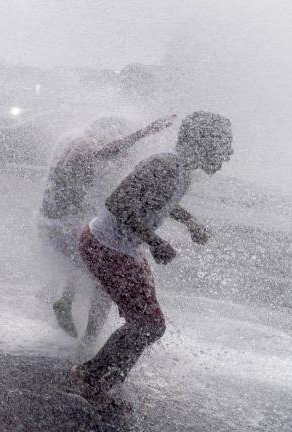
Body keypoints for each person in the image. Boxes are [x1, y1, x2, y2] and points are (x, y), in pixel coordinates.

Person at [70, 111, 233, 406]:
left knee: (146, 324)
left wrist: (189, 220)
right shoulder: (165, 164)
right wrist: (156, 242)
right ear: (202, 142)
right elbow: (118, 202)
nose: (228, 154)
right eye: (224, 145)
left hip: (121, 248)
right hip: (106, 246)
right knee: (148, 325)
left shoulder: (181, 170)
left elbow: (158, 200)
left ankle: (106, 381)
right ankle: (90, 377)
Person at [39, 114, 176, 342]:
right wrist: (143, 133)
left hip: (51, 222)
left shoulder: (70, 143)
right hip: (64, 224)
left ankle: (64, 299)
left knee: (82, 263)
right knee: (102, 280)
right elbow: (106, 152)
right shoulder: (86, 144)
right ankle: (88, 337)